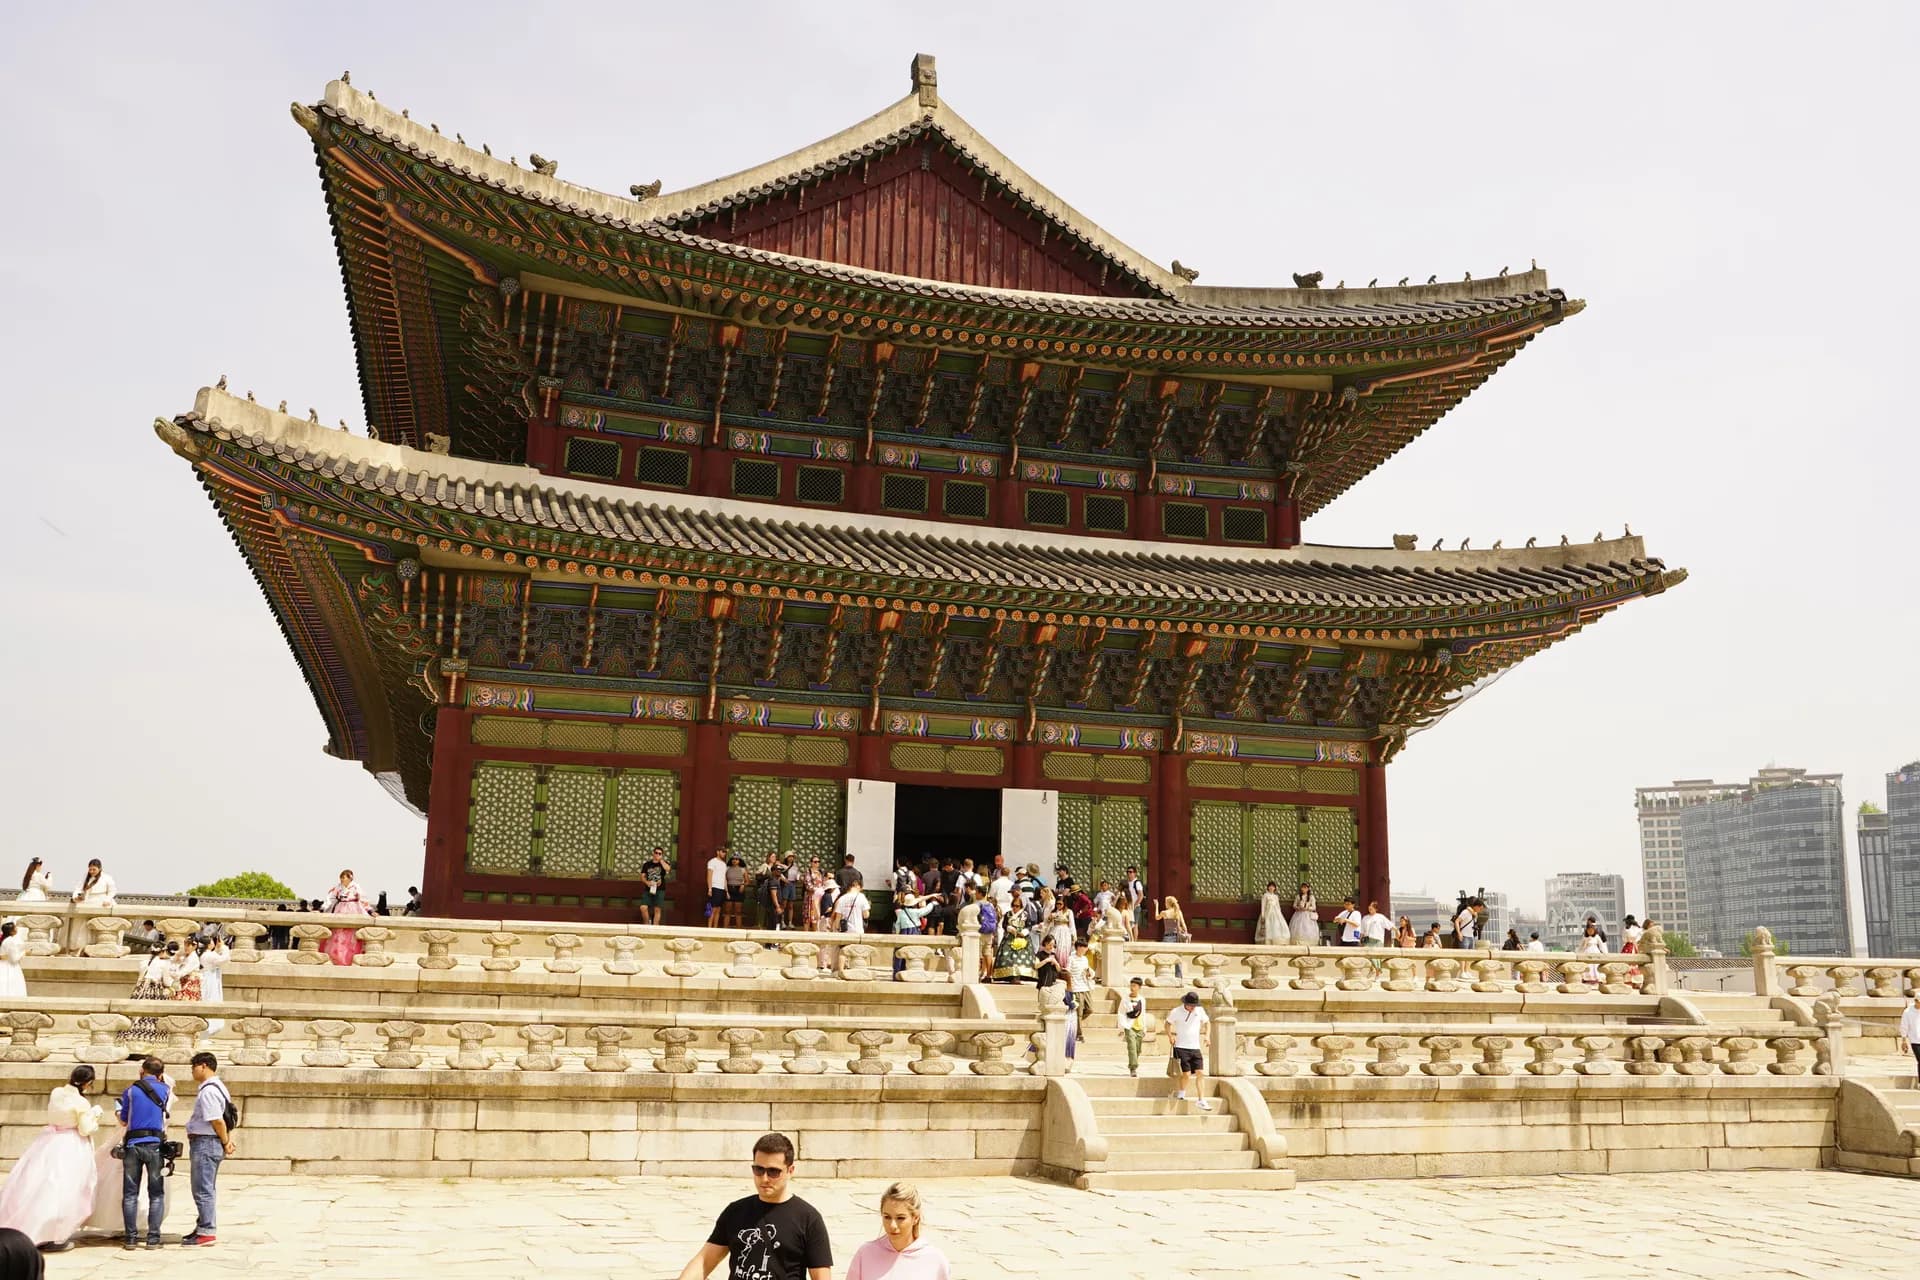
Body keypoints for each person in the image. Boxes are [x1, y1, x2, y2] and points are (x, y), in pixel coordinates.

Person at [676, 1133, 831, 1280]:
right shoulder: (735, 1211)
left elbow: (821, 1276)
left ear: (790, 1171)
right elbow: (704, 1262)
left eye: (773, 1172)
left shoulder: (808, 1219)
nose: (764, 1178)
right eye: (758, 1170)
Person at [0, 1065, 103, 1250]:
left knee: (36, 1184)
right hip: (71, 1144)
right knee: (66, 1189)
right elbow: (85, 1129)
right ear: (88, 1083)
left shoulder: (56, 1092)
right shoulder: (81, 1103)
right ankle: (53, 1234)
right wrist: (95, 1115)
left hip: (49, 1141)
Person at [115, 1057, 171, 1250]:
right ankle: (153, 1238)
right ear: (160, 1073)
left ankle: (130, 1238)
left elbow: (123, 1121)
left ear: (142, 1070)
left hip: (132, 1144)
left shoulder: (130, 1091)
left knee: (130, 1193)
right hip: (155, 1145)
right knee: (156, 1193)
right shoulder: (165, 1090)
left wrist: (118, 1111)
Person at [179, 1052, 234, 1247]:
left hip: (206, 1142)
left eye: (193, 1067)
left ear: (203, 1066)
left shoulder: (209, 1091)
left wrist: (225, 1141)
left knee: (202, 1189)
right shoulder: (219, 1087)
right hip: (210, 1141)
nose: (192, 1071)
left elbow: (217, 1119)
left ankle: (207, 1231)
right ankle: (202, 1225)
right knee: (205, 1187)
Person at [845, 1181, 949, 1280]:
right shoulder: (865, 1254)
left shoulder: (935, 1259)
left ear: (915, 1218)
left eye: (900, 1218)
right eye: (887, 1217)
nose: (892, 1225)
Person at [117, 945, 178, 1049]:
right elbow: (166, 981)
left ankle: (129, 1042)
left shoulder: (144, 962)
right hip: (155, 990)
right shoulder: (163, 964)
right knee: (153, 1017)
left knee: (135, 1015)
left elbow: (140, 978)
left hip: (141, 989)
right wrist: (172, 987)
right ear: (163, 951)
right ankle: (149, 1045)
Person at [1168, 991, 1212, 1110]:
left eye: (1194, 1005)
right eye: (1191, 1005)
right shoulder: (1176, 1011)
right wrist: (1170, 1036)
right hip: (1181, 1047)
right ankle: (1181, 1092)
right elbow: (1167, 1024)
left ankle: (1201, 1100)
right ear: (1185, 1003)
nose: (1193, 1008)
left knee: (1200, 1073)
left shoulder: (1199, 1011)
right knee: (1186, 1074)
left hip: (1195, 1047)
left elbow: (1207, 1023)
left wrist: (1207, 1036)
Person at [321, 869, 373, 965]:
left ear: (350, 878)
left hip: (354, 909)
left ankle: (351, 957)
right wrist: (323, 909)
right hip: (340, 909)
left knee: (352, 935)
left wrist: (370, 910)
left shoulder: (356, 887)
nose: (342, 879)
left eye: (344, 877)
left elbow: (363, 900)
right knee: (338, 933)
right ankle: (338, 958)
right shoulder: (337, 888)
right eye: (341, 877)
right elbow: (330, 899)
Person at [990, 895, 1036, 982]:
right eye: (1013, 905)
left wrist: (1024, 932)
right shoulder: (1008, 914)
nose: (1015, 908)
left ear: (1021, 906)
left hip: (1022, 937)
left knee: (1021, 958)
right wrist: (1009, 928)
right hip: (1010, 937)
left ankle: (1017, 976)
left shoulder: (1025, 915)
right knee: (1007, 957)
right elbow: (1004, 924)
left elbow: (1029, 925)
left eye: (1017, 906)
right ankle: (1009, 976)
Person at [199, 937, 229, 1036]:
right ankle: (204, 1036)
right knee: (211, 1005)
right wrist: (224, 947)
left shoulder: (206, 954)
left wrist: (218, 949)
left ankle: (204, 1036)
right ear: (209, 944)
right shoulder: (208, 955)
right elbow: (224, 959)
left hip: (209, 980)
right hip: (210, 982)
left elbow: (215, 956)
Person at [1118, 976, 1147, 1077]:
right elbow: (1121, 1013)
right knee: (1132, 1048)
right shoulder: (1125, 999)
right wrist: (1121, 1028)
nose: (1132, 988)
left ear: (1139, 987)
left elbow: (1143, 1013)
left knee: (1138, 1049)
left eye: (1134, 986)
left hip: (1140, 1026)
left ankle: (1134, 1063)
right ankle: (1133, 1067)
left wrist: (1145, 1027)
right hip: (1129, 1026)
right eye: (1131, 985)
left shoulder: (1142, 999)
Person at [1253, 881, 1286, 945]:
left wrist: (1280, 914)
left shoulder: (1276, 896)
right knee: (1267, 926)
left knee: (1276, 925)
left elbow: (1278, 906)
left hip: (1276, 913)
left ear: (1275, 888)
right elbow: (1263, 906)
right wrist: (1263, 915)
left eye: (1273, 887)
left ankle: (1275, 940)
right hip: (1267, 913)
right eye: (1270, 886)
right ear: (1268, 887)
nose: (1271, 888)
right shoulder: (1265, 895)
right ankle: (1267, 940)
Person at [0, 923, 24, 1000]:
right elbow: (14, 958)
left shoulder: (5, 940)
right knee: (12, 986)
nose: (17, 929)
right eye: (15, 928)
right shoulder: (11, 941)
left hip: (3, 965)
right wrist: (24, 952)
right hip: (10, 966)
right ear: (11, 931)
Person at [1900, 993, 1920, 1080]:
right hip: (1915, 1041)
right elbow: (1904, 1026)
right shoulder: (1908, 1012)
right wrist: (1904, 1040)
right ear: (1916, 1001)